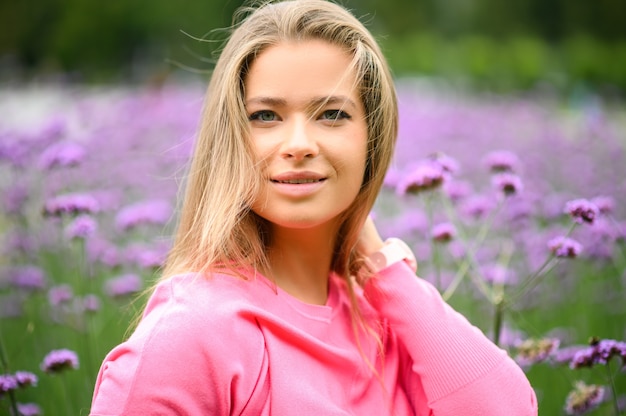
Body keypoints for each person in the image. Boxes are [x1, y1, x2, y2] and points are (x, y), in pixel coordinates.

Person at [90, 1, 538, 415]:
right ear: (230, 140)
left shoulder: (384, 320)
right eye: (266, 115)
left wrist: (386, 272)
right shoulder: (191, 334)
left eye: (332, 114)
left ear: (372, 140)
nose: (299, 145)